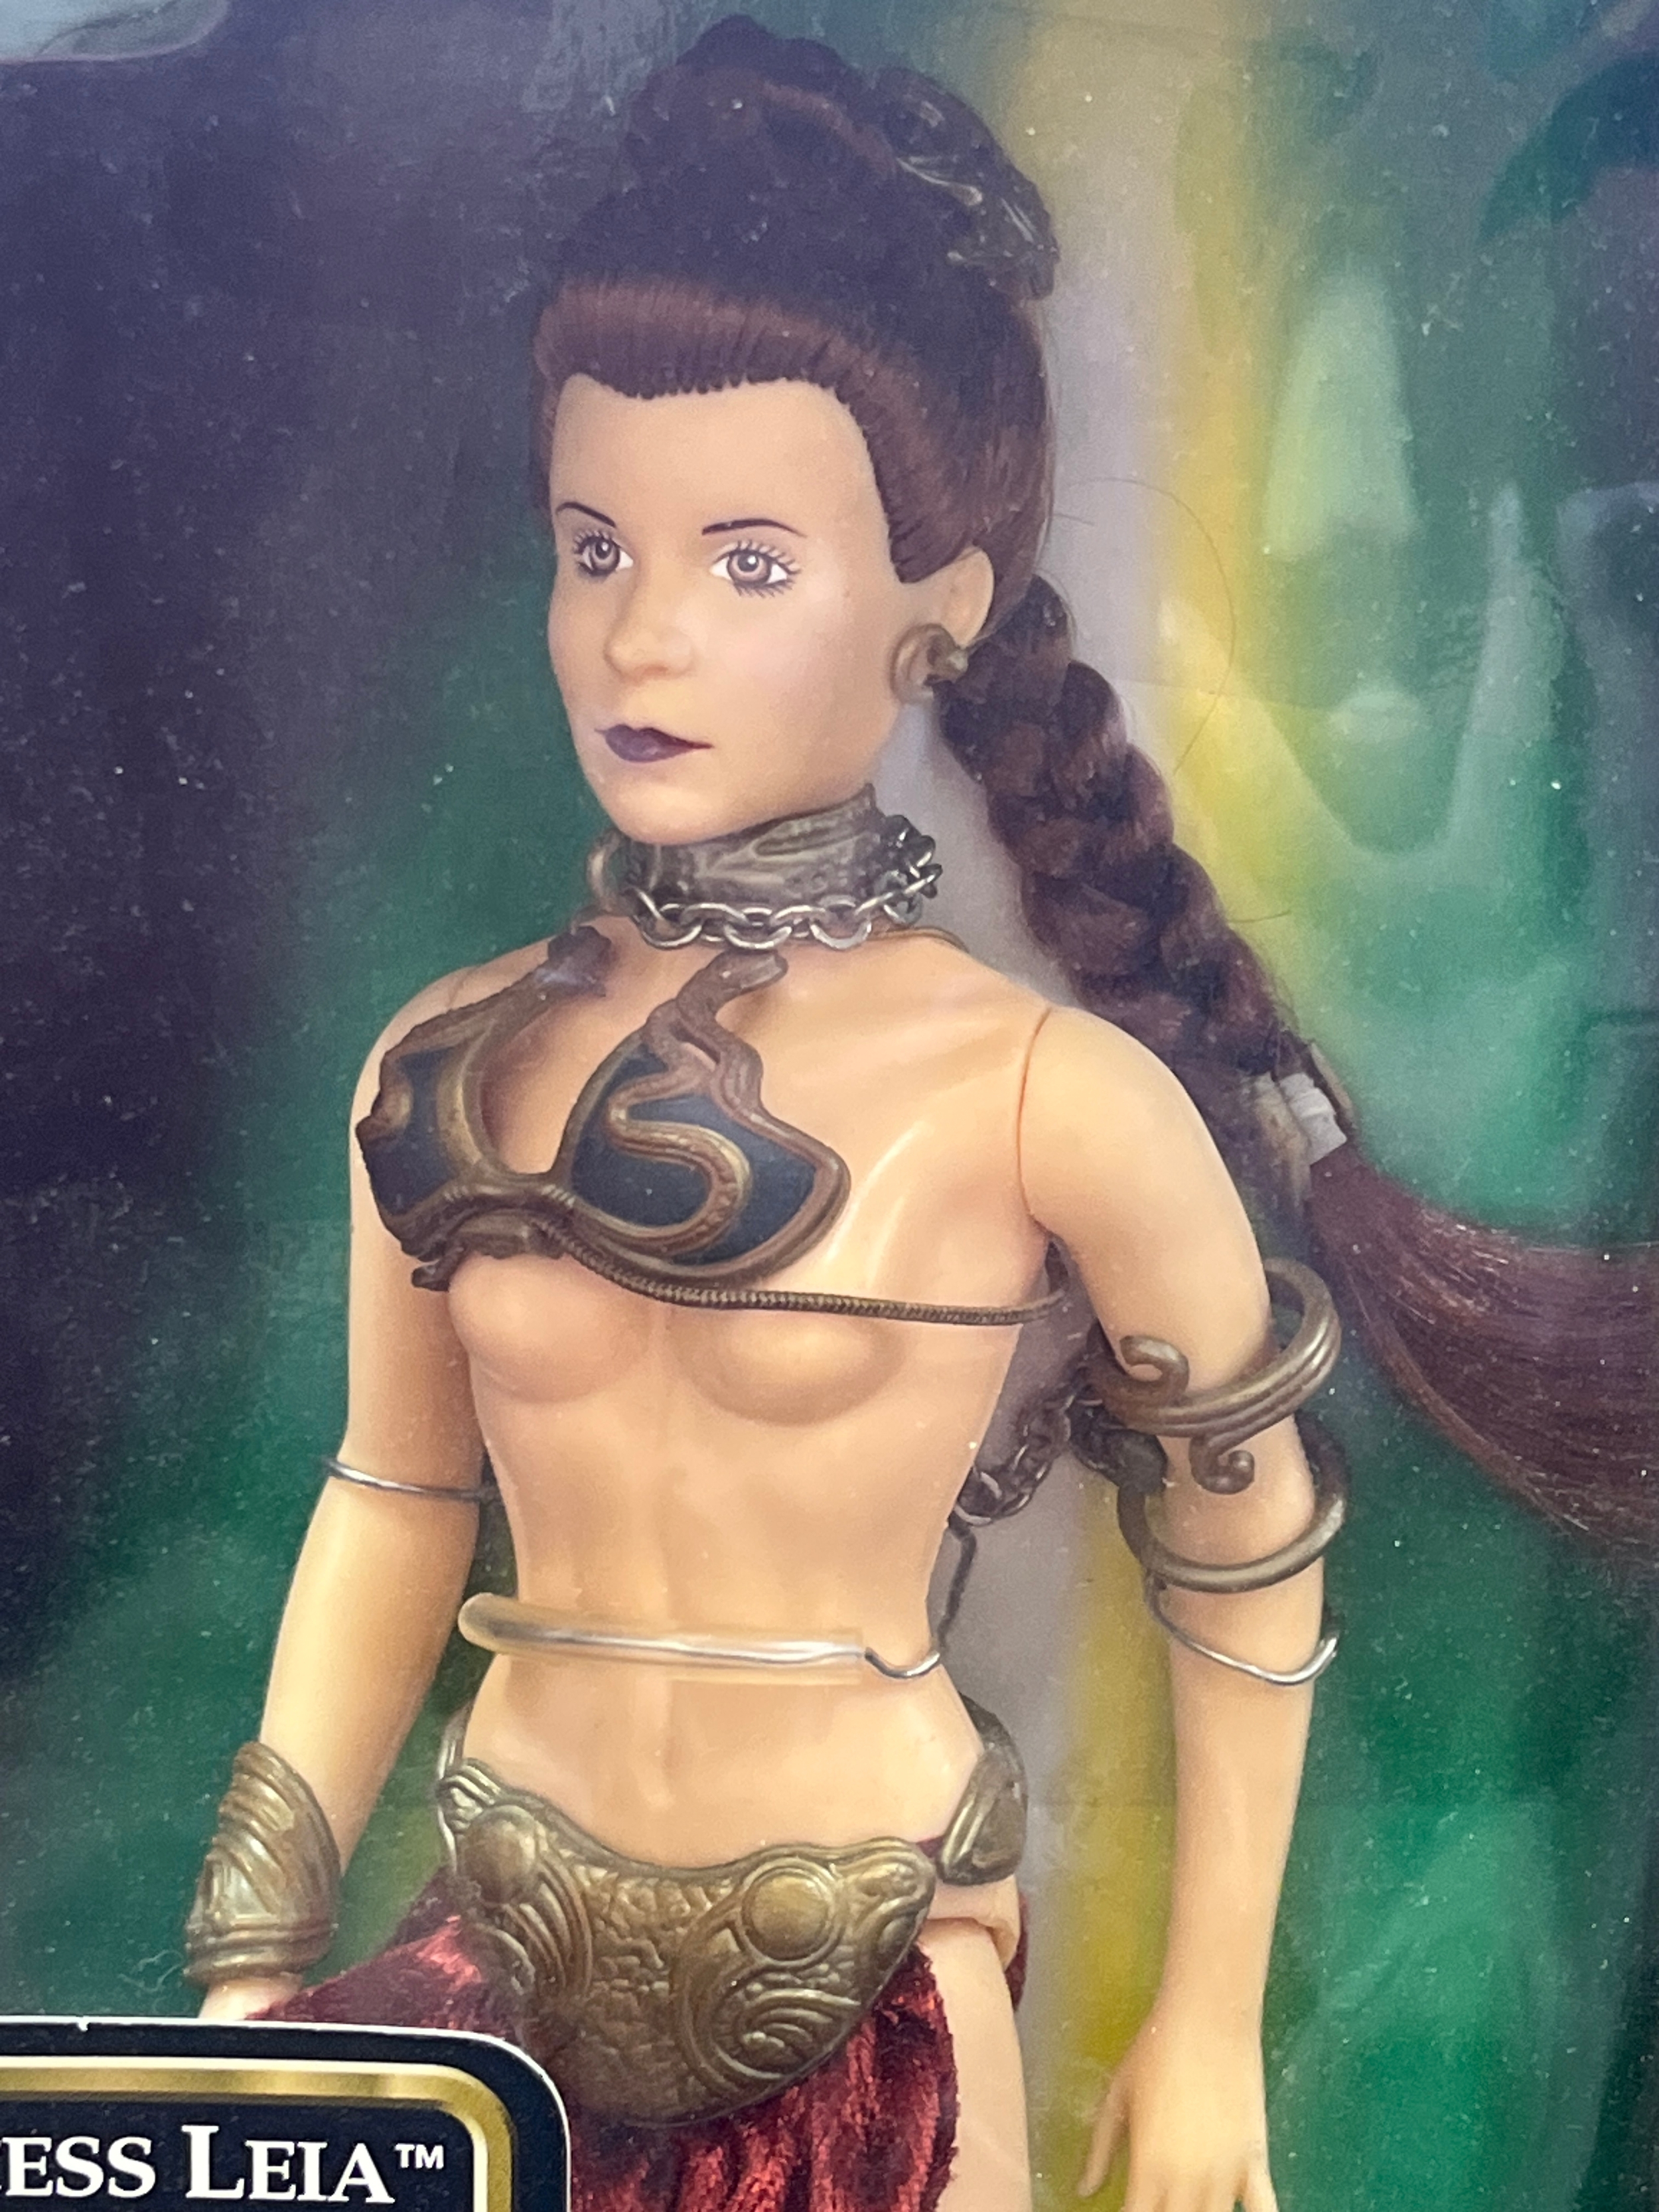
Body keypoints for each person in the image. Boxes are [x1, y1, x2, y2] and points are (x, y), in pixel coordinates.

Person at [179, 21, 1656, 2212]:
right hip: (481, 1983)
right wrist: (249, 1967)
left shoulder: (1043, 1094)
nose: (640, 636)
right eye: (592, 546)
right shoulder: (443, 1061)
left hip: (860, 2003)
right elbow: (392, 1498)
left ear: (933, 616)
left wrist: (1206, 2030)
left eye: (746, 562)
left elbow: (1241, 1550)